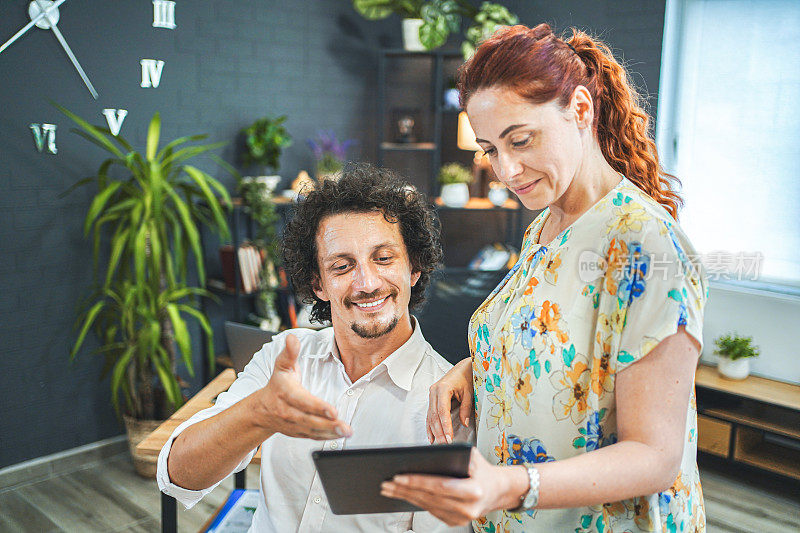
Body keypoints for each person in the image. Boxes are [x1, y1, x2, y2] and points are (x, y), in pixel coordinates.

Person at [380, 24, 709, 532]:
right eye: (490, 149)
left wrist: (510, 486)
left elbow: (654, 457)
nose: (507, 170)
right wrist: (476, 367)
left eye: (521, 140)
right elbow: (560, 341)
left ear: (580, 110)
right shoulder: (547, 224)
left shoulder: (645, 244)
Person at [157, 163, 470, 532]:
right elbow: (178, 475)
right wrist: (258, 413)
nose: (367, 283)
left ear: (413, 269)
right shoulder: (283, 358)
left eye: (383, 259)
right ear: (318, 284)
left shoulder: (448, 403)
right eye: (341, 266)